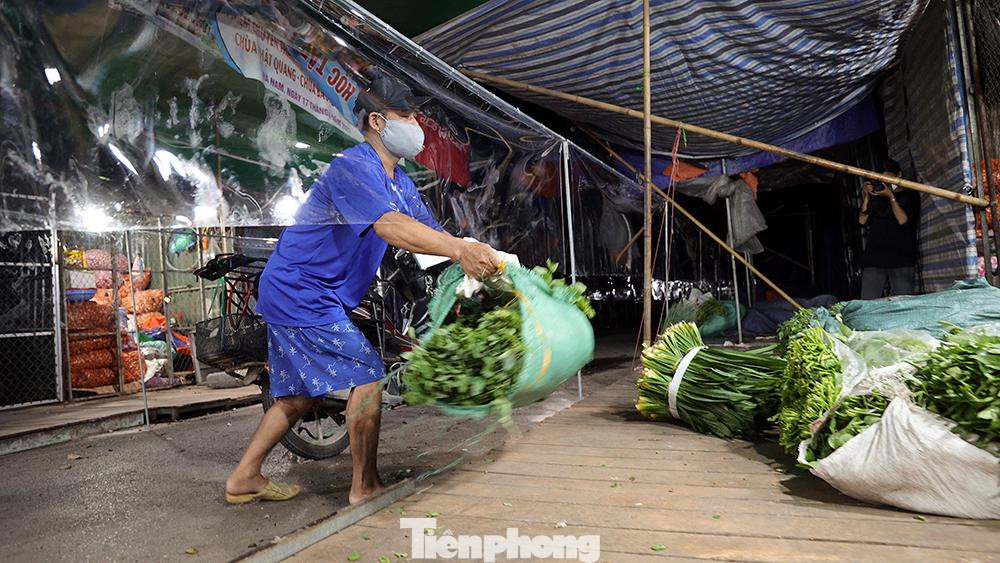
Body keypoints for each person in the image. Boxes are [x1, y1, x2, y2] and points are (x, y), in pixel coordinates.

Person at [224, 75, 500, 505]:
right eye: (406, 115)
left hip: (307, 291)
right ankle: (364, 487)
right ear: (377, 120)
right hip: (301, 289)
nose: (416, 125)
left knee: (297, 398)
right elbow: (389, 226)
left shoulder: (399, 181)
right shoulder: (352, 167)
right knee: (369, 375)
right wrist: (458, 250)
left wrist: (480, 258)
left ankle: (244, 476)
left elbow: (427, 233)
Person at [858, 159, 919, 299]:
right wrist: (867, 197)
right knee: (868, 304)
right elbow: (861, 221)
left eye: (889, 178)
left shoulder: (909, 195)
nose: (886, 182)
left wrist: (891, 197)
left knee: (904, 304)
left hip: (901, 258)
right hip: (874, 258)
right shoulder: (877, 197)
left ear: (899, 175)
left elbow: (903, 220)